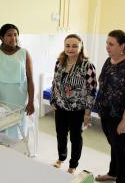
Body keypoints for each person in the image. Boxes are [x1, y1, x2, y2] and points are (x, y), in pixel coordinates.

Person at [95, 30, 125, 183]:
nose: (107, 47)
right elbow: (102, 85)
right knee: (114, 145)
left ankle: (121, 180)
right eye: (107, 43)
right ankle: (113, 173)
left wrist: (124, 121)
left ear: (122, 46)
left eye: (111, 44)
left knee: (121, 149)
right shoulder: (108, 61)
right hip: (107, 113)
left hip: (124, 115)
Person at [50, 34, 97, 174]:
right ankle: (61, 157)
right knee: (60, 135)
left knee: (75, 138)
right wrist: (53, 100)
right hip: (60, 108)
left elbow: (92, 91)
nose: (70, 49)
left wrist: (87, 113)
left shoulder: (87, 66)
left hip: (78, 110)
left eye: (75, 46)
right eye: (67, 45)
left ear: (81, 47)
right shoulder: (59, 62)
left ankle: (73, 165)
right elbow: (54, 83)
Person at [0, 23, 34, 139]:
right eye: (9, 35)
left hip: (19, 96)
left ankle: (19, 148)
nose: (13, 38)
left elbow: (30, 80)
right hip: (0, 95)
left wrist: (31, 101)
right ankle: (2, 147)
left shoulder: (24, 53)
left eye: (15, 35)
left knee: (17, 126)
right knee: (0, 123)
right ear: (1, 38)